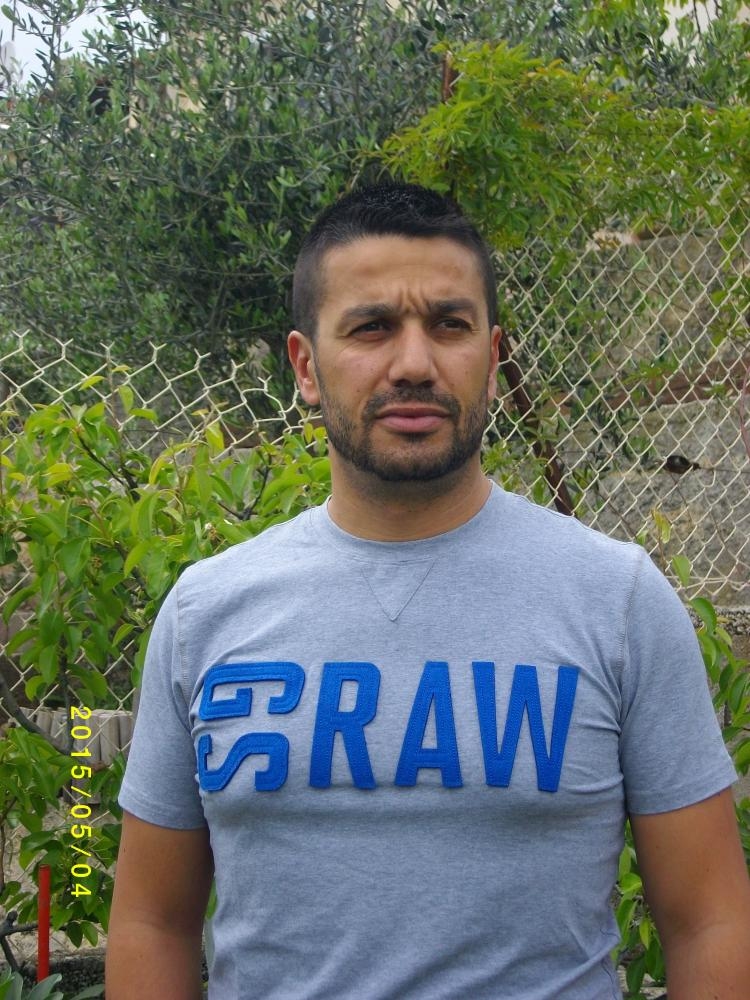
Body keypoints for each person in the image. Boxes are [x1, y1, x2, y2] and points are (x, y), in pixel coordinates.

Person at [106, 183, 750, 1000]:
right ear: (305, 366)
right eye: (371, 327)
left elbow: (710, 922)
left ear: (493, 356)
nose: (414, 363)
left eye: (450, 325)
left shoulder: (617, 602)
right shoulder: (205, 613)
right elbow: (150, 924)